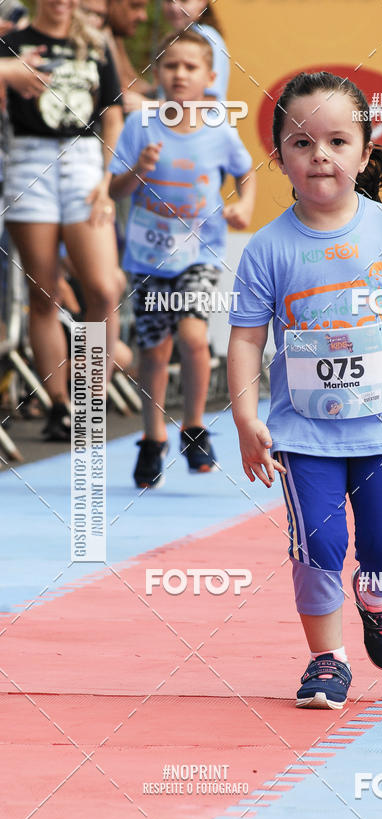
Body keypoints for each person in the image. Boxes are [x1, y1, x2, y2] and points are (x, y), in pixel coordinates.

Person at [228, 71, 382, 710]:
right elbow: (248, 340)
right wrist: (246, 419)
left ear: (365, 154)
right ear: (279, 155)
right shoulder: (267, 249)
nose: (321, 156)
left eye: (338, 142)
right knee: (317, 543)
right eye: (303, 142)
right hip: (302, 431)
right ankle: (326, 659)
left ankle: (380, 596)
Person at [109, 30, 255, 487]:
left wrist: (244, 206)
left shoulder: (219, 129)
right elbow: (114, 189)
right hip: (148, 257)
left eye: (191, 67)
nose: (179, 75)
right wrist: (139, 171)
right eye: (171, 65)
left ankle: (193, 425)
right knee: (155, 350)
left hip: (200, 253)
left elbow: (245, 171)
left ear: (210, 77)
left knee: (192, 336)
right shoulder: (141, 126)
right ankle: (153, 437)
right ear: (157, 74)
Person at [0, 0, 123, 441]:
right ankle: (60, 406)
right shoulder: (13, 39)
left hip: (86, 161)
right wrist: (8, 69)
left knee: (103, 289)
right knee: (44, 294)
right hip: (28, 159)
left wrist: (107, 179)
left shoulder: (95, 42)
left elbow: (113, 115)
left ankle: (92, 399)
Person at [162, 0, 228, 100]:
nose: (175, 7)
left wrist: (147, 105)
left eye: (184, 0)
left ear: (202, 1)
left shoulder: (207, 37)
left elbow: (209, 100)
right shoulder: (176, 37)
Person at [106, 0, 150, 112]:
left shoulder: (116, 35)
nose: (143, 16)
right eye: (135, 6)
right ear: (112, 0)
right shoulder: (102, 33)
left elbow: (132, 82)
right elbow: (124, 91)